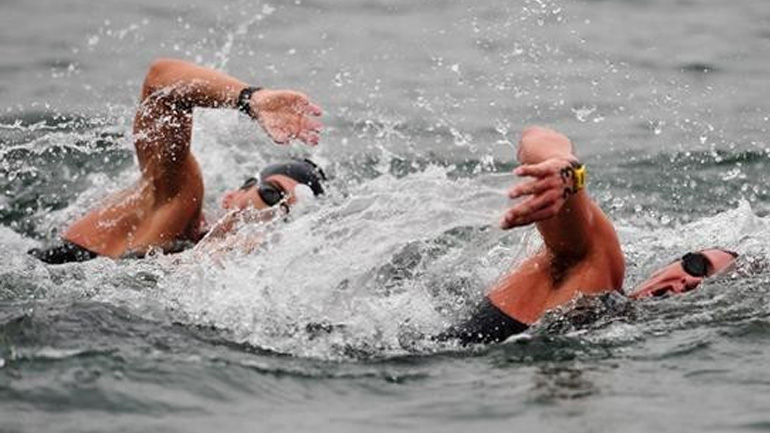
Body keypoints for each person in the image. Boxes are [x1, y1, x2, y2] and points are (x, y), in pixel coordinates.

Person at [435, 126, 738, 345]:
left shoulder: (622, 335)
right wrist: (566, 170)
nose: (693, 281)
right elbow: (537, 137)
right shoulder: (598, 268)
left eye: (707, 286)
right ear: (666, 266)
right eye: (698, 265)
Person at [28, 58, 325, 264]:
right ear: (232, 195)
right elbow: (160, 81)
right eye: (272, 195)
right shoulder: (181, 199)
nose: (274, 215)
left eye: (288, 215)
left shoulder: (224, 273)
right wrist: (250, 99)